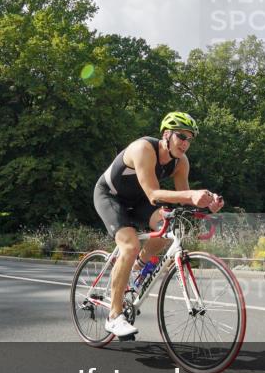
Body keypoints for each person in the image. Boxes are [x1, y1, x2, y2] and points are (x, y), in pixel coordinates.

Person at [93, 111, 224, 338]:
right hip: (111, 197)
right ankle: (114, 316)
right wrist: (191, 195)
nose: (185, 143)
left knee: (167, 230)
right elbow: (154, 194)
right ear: (166, 135)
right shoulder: (143, 149)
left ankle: (136, 270)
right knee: (130, 246)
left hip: (139, 200)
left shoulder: (181, 163)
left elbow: (183, 199)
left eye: (189, 139)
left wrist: (206, 205)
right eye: (181, 136)